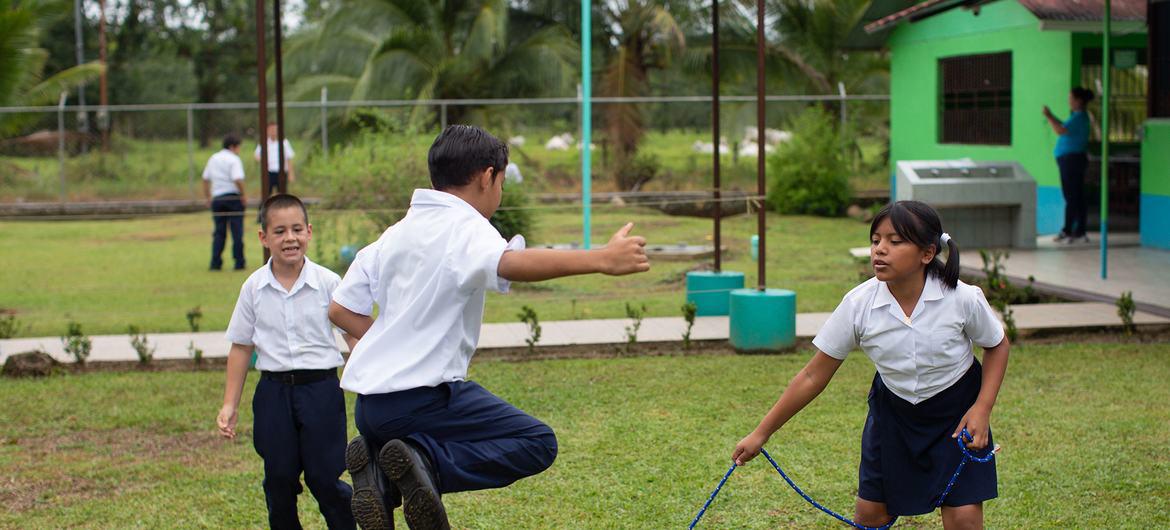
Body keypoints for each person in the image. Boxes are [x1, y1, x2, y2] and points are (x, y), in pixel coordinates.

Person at [327, 125, 651, 530]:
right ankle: (418, 468)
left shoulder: (395, 233)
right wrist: (601, 259)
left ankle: (382, 479)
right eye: (501, 181)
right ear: (487, 177)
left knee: (469, 440)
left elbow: (340, 308)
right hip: (422, 402)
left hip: (371, 409)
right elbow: (510, 263)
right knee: (537, 443)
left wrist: (388, 342)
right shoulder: (465, 228)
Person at [731, 200, 1010, 530]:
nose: (880, 250)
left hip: (957, 414)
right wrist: (761, 434)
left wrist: (982, 407)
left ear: (927, 253)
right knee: (869, 515)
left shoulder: (962, 298)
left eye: (895, 241)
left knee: (964, 517)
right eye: (876, 240)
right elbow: (812, 375)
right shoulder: (858, 304)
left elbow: (997, 345)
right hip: (894, 415)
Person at [216, 194, 357, 530]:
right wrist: (229, 404)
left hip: (321, 391)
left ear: (309, 231)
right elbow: (240, 347)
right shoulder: (253, 288)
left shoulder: (328, 284)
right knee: (278, 478)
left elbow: (354, 336)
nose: (289, 238)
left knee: (324, 477)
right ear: (264, 238)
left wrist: (376, 378)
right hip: (273, 395)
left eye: (296, 229)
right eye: (279, 231)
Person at [1044, 87, 1095, 243]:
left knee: (1072, 195)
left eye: (1071, 98)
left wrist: (1048, 117)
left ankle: (1070, 230)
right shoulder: (1077, 117)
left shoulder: (1079, 118)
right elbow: (1064, 125)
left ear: (1079, 101)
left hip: (1071, 160)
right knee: (1076, 195)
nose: (1069, 101)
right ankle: (1078, 230)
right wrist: (1052, 116)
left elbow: (1060, 130)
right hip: (1072, 159)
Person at [202, 134, 247, 271]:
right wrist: (243, 195)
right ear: (233, 146)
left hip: (217, 198)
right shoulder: (234, 159)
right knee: (237, 231)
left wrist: (208, 197)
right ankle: (239, 262)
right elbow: (237, 179)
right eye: (239, 147)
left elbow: (205, 179)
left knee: (219, 232)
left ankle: (215, 263)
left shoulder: (213, 158)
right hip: (233, 198)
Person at [255, 123, 296, 199]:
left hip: (281, 172)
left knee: (282, 194)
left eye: (275, 130)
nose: (273, 132)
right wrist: (263, 161)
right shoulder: (263, 142)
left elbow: (289, 159)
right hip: (269, 172)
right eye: (271, 130)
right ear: (267, 131)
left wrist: (291, 174)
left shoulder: (285, 142)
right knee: (267, 194)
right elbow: (257, 156)